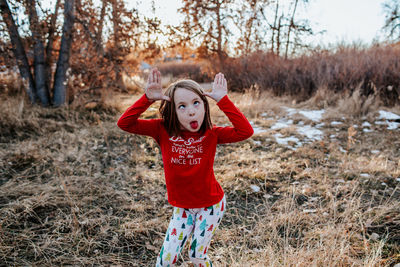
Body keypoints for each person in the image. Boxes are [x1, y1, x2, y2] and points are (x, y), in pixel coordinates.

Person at [117, 68, 253, 266]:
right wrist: (147, 98)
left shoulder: (212, 133)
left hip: (211, 205)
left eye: (196, 103)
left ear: (204, 106)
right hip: (182, 208)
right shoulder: (162, 130)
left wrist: (223, 100)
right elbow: (125, 123)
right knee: (165, 261)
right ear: (172, 111)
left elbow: (245, 131)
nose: (191, 111)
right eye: (182, 106)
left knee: (197, 256)